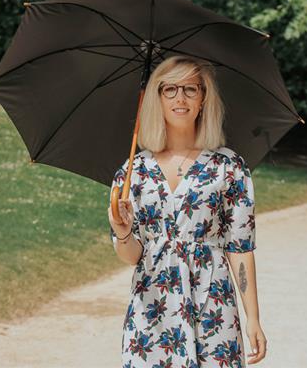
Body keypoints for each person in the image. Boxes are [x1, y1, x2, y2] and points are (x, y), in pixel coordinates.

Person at [107, 55, 267, 367]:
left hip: (213, 303)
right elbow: (131, 257)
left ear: (204, 98)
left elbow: (240, 248)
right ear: (157, 97)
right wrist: (123, 229)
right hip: (152, 308)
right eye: (170, 89)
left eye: (191, 89)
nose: (180, 98)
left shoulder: (228, 167)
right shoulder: (133, 172)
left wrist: (253, 318)